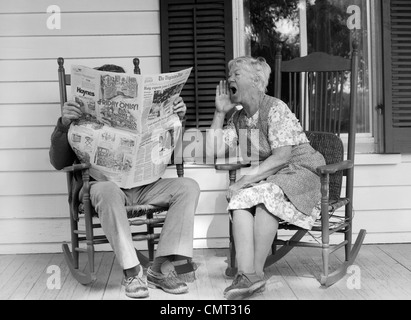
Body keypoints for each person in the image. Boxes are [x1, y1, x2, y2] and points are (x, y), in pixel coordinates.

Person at [49, 64, 200, 299]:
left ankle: (160, 268)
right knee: (108, 190)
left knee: (188, 187)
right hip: (102, 186)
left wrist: (177, 117)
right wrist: (64, 124)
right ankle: (132, 271)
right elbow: (59, 162)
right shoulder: (76, 117)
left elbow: (169, 151)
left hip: (143, 185)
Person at [206, 56, 326, 300]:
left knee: (263, 194)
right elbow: (213, 150)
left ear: (256, 80)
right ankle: (245, 274)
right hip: (274, 177)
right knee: (240, 198)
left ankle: (256, 273)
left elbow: (282, 157)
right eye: (230, 74)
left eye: (236, 74)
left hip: (301, 169)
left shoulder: (275, 108)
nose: (230, 78)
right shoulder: (238, 118)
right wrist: (219, 113)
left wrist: (243, 180)